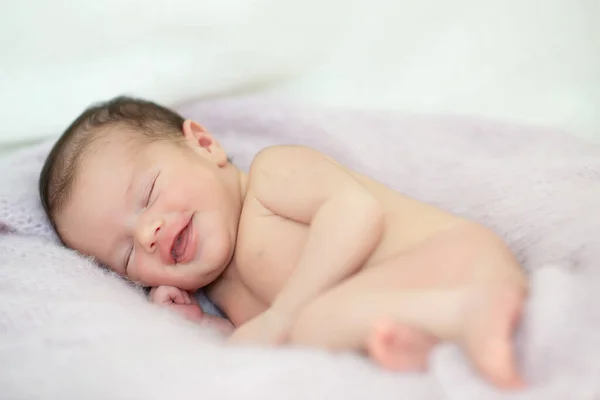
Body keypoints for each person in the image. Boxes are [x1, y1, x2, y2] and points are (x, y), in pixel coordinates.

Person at [39, 96, 528, 389]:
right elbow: (267, 344)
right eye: (126, 255)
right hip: (402, 301)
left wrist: (287, 312)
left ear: (206, 146)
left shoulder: (272, 176)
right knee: (316, 329)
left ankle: (468, 310)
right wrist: (202, 326)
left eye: (148, 194)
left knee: (315, 321)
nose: (148, 233)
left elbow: (355, 213)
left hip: (451, 256)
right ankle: (431, 343)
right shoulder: (226, 296)